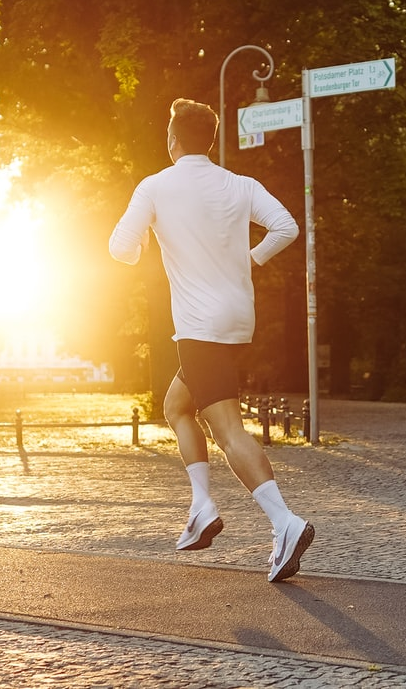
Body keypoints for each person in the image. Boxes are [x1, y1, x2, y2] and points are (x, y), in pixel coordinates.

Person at [109, 97, 313, 582]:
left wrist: (140, 246)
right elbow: (287, 226)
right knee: (177, 407)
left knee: (226, 428)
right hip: (236, 321)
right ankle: (202, 506)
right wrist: (252, 259)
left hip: (199, 325)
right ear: (212, 141)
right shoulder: (240, 185)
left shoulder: (155, 186)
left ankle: (285, 522)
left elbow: (121, 248)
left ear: (171, 139)